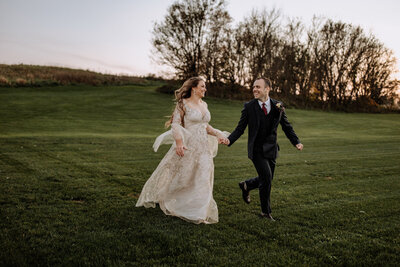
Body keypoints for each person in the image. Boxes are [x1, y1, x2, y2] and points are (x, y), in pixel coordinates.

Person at [136, 77, 228, 224]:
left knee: (204, 175)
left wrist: (218, 134)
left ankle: (199, 211)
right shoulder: (182, 104)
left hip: (203, 147)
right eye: (202, 86)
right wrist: (179, 143)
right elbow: (176, 124)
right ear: (193, 88)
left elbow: (205, 126)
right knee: (183, 177)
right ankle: (170, 198)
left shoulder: (205, 104)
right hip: (188, 144)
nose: (205, 89)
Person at [221, 77, 303, 221]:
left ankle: (247, 185)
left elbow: (286, 126)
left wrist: (296, 141)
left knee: (268, 178)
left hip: (272, 149)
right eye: (253, 87)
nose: (255, 89)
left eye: (258, 87)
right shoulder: (249, 107)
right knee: (266, 179)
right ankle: (265, 212)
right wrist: (229, 140)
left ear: (267, 89)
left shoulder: (278, 106)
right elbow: (240, 128)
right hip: (257, 150)